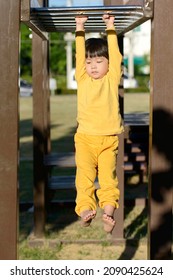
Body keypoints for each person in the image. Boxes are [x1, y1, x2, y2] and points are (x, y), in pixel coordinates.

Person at [74, 13, 124, 233]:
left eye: (99, 61)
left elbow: (115, 54)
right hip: (85, 139)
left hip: (108, 140)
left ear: (108, 64)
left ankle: (108, 213)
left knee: (108, 179)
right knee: (83, 177)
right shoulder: (83, 79)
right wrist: (79, 27)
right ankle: (85, 210)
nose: (93, 66)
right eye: (89, 62)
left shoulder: (112, 77)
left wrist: (110, 27)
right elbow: (78, 55)